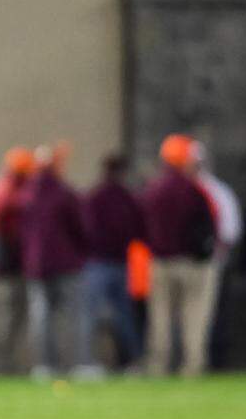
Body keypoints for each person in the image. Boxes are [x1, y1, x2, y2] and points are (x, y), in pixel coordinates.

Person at [140, 135, 216, 377]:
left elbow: (140, 224)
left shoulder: (153, 189)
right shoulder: (194, 190)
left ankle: (158, 365)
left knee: (159, 317)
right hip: (192, 262)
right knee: (194, 315)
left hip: (160, 261)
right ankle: (192, 365)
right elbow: (209, 224)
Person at [21, 144, 87, 378]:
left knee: (42, 318)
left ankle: (44, 366)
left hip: (36, 265)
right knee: (73, 317)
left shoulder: (27, 194)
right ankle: (77, 364)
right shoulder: (64, 193)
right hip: (66, 263)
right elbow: (80, 227)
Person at [79, 154, 147, 372]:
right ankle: (131, 362)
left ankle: (90, 362)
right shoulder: (125, 197)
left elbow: (84, 230)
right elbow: (139, 229)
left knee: (94, 315)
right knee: (122, 316)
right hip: (114, 261)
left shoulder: (95, 197)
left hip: (100, 262)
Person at [0, 147, 34, 373]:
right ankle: (0, 366)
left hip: (0, 265)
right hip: (7, 266)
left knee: (0, 315)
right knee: (7, 316)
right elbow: (2, 231)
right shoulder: (10, 193)